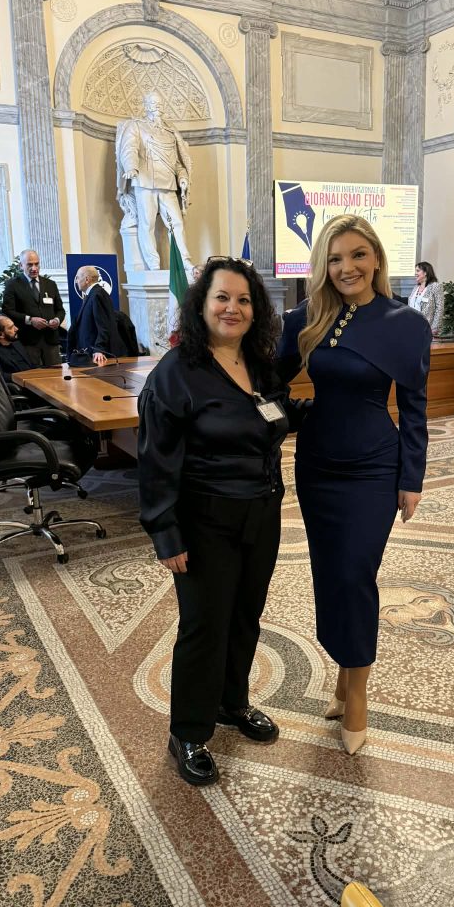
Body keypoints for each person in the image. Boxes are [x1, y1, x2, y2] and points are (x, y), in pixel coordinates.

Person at [138, 257, 302, 786]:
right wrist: (166, 533)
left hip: (262, 513)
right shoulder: (177, 372)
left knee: (245, 616)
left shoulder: (260, 364)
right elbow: (157, 461)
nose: (233, 308)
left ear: (256, 311)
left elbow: (277, 414)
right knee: (205, 626)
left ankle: (233, 702)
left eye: (244, 300)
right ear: (201, 306)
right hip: (204, 521)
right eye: (222, 298)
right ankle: (188, 731)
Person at [277, 215, 431, 756]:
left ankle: (357, 689)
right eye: (336, 258)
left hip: (374, 467)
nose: (347, 267)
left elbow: (414, 408)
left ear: (377, 259)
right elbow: (268, 383)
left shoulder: (405, 323)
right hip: (318, 465)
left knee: (355, 574)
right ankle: (344, 675)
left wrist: (412, 477)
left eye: (358, 254)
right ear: (323, 265)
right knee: (329, 574)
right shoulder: (304, 317)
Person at [116, 92, 193, 272]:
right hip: (144, 181)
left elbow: (176, 162)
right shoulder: (136, 126)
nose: (156, 107)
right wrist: (131, 167)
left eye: (159, 104)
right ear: (146, 106)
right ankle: (153, 264)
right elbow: (129, 148)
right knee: (147, 224)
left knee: (177, 223)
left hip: (168, 183)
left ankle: (184, 260)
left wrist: (182, 177)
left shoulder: (170, 132)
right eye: (152, 103)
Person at [1, 249, 65, 366]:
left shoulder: (50, 284)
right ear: (21, 266)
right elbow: (7, 311)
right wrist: (30, 320)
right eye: (29, 265)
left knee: (55, 375)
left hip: (50, 340)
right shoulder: (12, 285)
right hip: (28, 341)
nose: (34, 268)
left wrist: (57, 320)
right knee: (33, 374)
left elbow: (60, 310)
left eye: (37, 264)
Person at [67, 265, 126, 366]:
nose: (76, 281)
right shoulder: (92, 294)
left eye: (78, 277)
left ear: (87, 279)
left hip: (97, 356)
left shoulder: (97, 295)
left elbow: (104, 325)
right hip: (89, 354)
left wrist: (99, 349)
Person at [0, 315, 38, 381]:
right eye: (11, 328)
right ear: (0, 334)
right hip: (19, 383)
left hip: (33, 378)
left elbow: (30, 366)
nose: (16, 329)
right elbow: (0, 376)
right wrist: (24, 377)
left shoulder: (17, 343)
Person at [408, 261, 444, 335]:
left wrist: (434, 328)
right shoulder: (416, 287)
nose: (415, 273)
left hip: (427, 328)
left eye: (418, 271)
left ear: (425, 273)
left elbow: (440, 308)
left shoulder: (435, 286)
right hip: (412, 326)